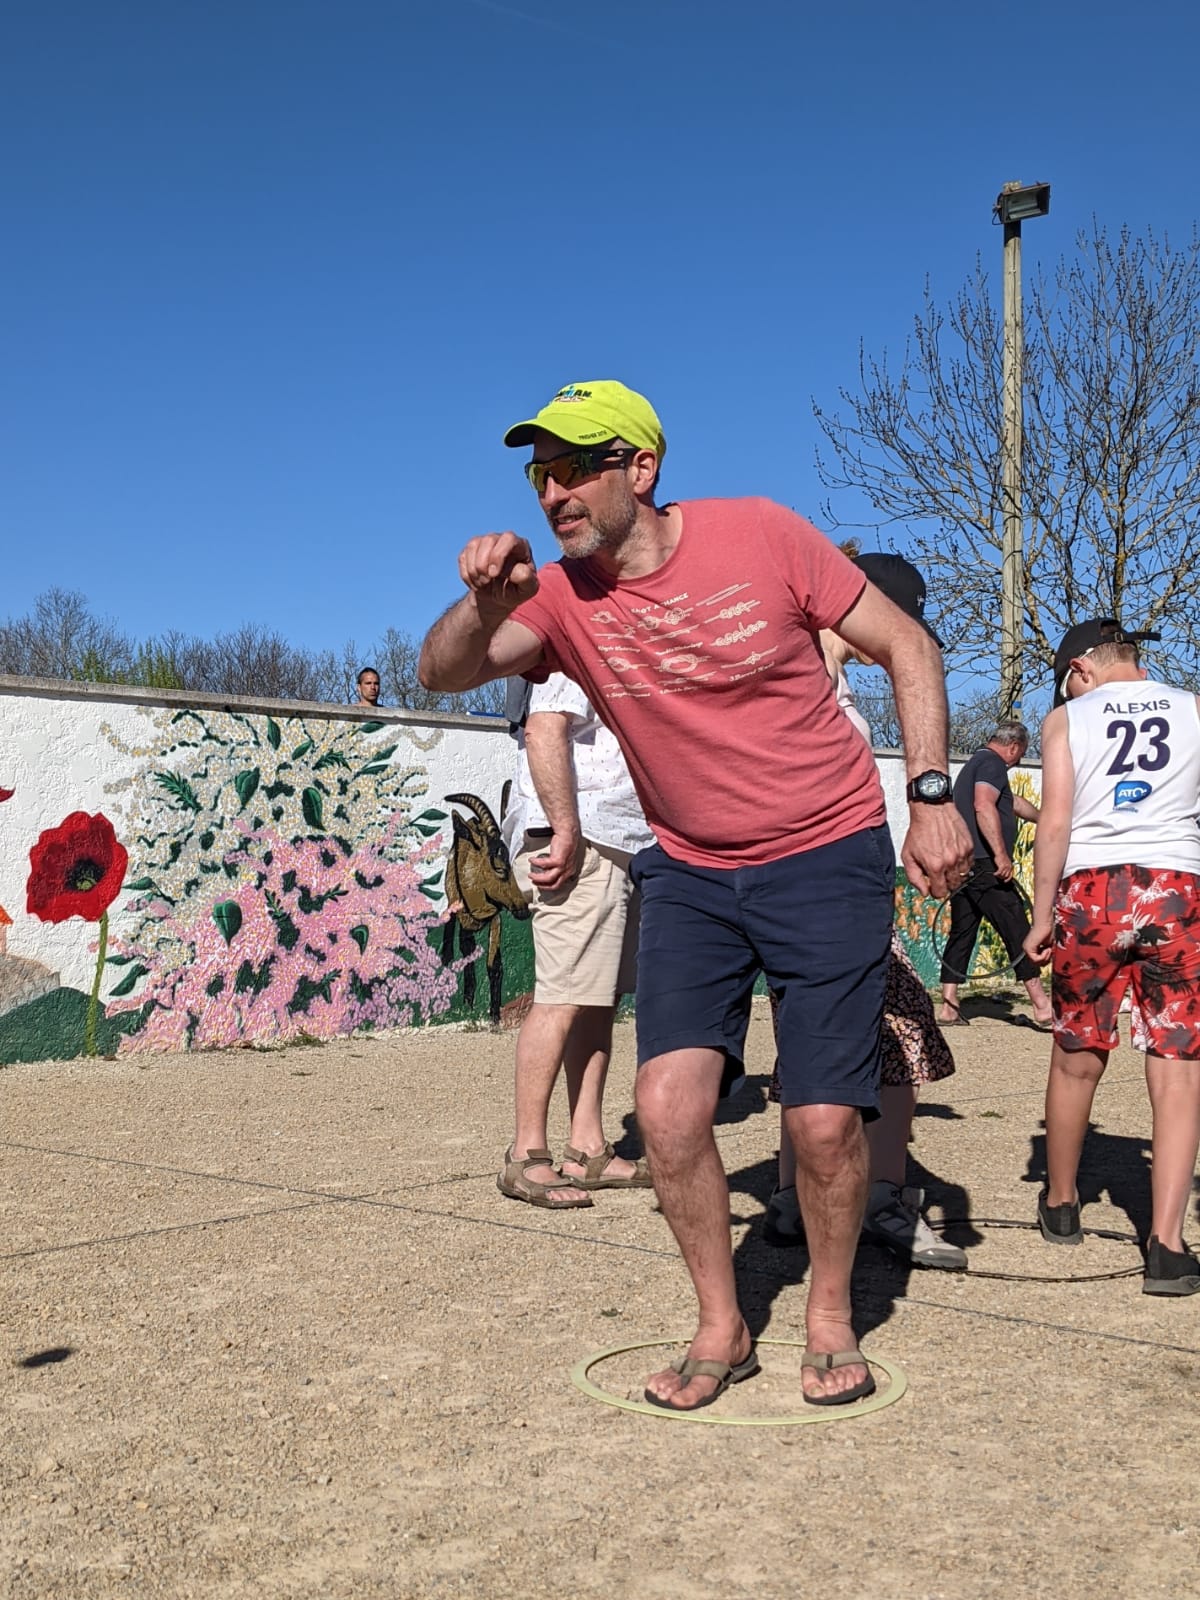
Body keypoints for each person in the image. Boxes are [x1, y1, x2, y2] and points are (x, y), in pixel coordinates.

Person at [418, 379, 972, 1409]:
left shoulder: (761, 534)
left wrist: (930, 794)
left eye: (578, 464)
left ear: (641, 467)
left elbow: (911, 645)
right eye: (542, 471)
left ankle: (829, 1313)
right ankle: (722, 1323)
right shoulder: (557, 593)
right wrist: (487, 602)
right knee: (667, 1110)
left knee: (818, 1123)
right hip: (692, 867)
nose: (554, 489)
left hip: (826, 850)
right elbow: (440, 672)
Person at [766, 552, 965, 1272]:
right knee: (898, 1034)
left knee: (812, 1040)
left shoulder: (825, 668)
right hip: (822, 893)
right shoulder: (816, 656)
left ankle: (795, 1195)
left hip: (818, 889)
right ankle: (881, 1195)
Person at [1023, 620, 1200, 1294]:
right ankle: (1167, 1243)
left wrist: (1041, 914)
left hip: (1094, 889)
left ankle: (1061, 1202)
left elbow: (1059, 820)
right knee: (1178, 1062)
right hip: (1177, 888)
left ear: (1080, 669)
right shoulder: (1192, 708)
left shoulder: (1067, 718)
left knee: (1078, 1053)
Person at [497, 672, 654, 1208]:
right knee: (561, 997)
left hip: (612, 840)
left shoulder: (606, 638)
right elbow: (544, 728)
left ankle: (586, 1149)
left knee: (594, 999)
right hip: (580, 840)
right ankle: (526, 1154)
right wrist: (565, 831)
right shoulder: (572, 640)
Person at [937, 721, 1053, 1028]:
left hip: (963, 864)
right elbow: (983, 806)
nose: (1017, 760)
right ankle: (1042, 1007)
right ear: (1013, 747)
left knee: (963, 931)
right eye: (1020, 754)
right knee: (1017, 927)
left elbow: (1009, 803)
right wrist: (1001, 855)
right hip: (986, 864)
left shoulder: (976, 764)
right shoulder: (992, 764)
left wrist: (1045, 819)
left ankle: (948, 1005)